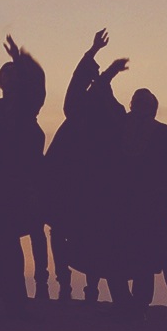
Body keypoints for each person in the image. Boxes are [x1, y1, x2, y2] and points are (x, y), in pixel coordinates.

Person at [48, 29, 131, 302]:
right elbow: (77, 88)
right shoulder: (79, 111)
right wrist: (95, 54)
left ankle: (92, 288)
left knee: (96, 234)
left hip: (100, 185)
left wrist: (106, 72)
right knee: (60, 230)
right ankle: (64, 283)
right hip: (72, 181)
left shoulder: (114, 114)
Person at [0, 38, 53, 302]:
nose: (8, 77)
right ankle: (8, 284)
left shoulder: (28, 104)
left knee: (36, 229)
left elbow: (38, 83)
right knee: (6, 233)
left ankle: (42, 284)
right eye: (4, 73)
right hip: (3, 179)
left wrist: (19, 58)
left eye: (11, 73)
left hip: (28, 175)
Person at [119, 87, 167, 311]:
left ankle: (139, 305)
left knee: (145, 259)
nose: (140, 107)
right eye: (137, 102)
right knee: (117, 253)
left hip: (151, 206)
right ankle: (122, 302)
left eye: (145, 104)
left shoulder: (164, 133)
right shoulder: (118, 127)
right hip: (122, 203)